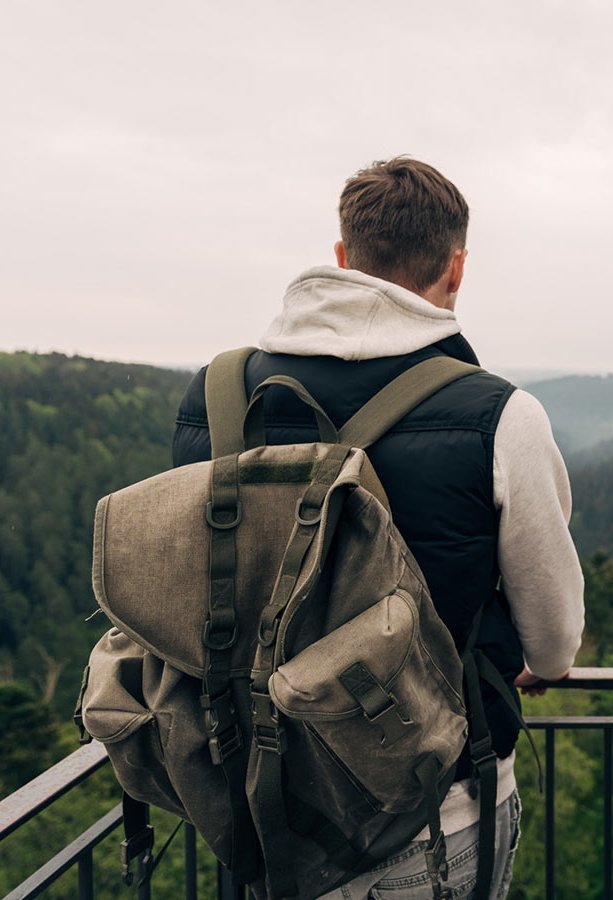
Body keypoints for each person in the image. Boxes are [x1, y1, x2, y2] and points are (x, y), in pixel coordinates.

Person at [172, 156, 585, 899]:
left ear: (342, 258)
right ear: (456, 269)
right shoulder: (500, 416)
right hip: (433, 809)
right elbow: (554, 642)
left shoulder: (214, 396)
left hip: (260, 804)